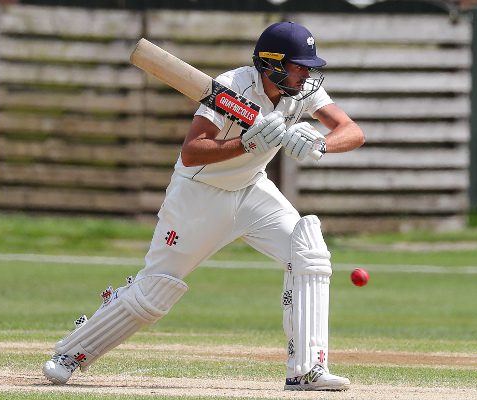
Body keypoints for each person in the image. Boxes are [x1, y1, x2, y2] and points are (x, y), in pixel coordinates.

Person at [42, 21, 365, 391]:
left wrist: (320, 145)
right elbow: (192, 152)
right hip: (199, 195)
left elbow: (351, 130)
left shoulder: (298, 93)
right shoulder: (233, 87)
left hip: (252, 190)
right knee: (155, 291)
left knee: (308, 249)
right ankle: (71, 352)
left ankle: (307, 369)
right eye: (300, 65)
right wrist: (247, 145)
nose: (307, 74)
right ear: (272, 64)